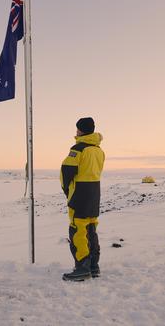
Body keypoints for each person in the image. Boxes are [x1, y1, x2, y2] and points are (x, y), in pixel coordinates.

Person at [60, 117, 105, 281]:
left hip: (80, 194)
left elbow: (65, 172)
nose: (76, 131)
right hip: (94, 194)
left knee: (78, 230)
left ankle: (82, 267)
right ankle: (94, 265)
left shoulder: (78, 149)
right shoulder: (99, 151)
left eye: (77, 128)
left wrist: (68, 192)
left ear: (81, 130)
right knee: (91, 228)